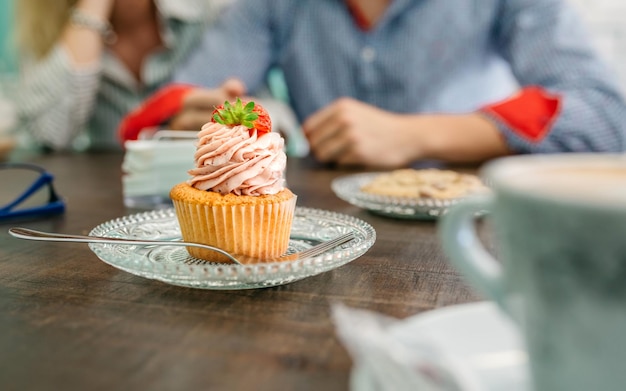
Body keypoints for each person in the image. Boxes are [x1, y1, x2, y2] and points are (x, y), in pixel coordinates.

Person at [129, 0, 626, 168]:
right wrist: (193, 113)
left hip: (466, 242)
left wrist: (417, 135)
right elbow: (170, 104)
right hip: (319, 246)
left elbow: (607, 114)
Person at [11, 0, 237, 152]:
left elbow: (257, 109)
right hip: (106, 202)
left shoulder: (212, 9)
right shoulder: (45, 28)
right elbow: (47, 136)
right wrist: (91, 13)